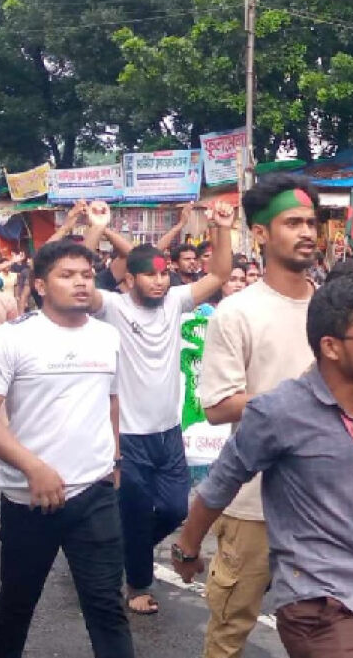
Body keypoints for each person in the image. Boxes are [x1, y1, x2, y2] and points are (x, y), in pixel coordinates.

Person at [174, 279, 353, 658]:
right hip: (314, 598)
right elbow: (223, 480)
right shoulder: (279, 410)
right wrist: (187, 547)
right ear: (331, 347)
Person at [0, 239, 134, 658]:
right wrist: (32, 467)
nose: (81, 282)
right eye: (67, 275)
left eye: (85, 274)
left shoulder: (107, 337)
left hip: (94, 494)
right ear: (40, 285)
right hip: (29, 498)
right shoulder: (13, 337)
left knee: (107, 608)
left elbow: (111, 400)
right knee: (18, 604)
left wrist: (114, 460)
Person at [78, 200, 235, 615]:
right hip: (127, 436)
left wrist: (222, 228)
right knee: (132, 512)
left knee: (173, 509)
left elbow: (219, 273)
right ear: (129, 280)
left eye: (164, 274)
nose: (161, 282)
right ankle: (138, 585)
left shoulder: (177, 302)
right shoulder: (111, 307)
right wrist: (95, 228)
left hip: (168, 434)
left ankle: (122, 552)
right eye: (151, 275)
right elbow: (79, 283)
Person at [197, 173, 322, 658]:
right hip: (253, 502)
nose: (307, 231)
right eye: (293, 222)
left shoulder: (334, 308)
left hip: (325, 502)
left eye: (311, 221)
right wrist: (302, 401)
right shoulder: (236, 312)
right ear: (262, 235)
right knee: (230, 631)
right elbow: (217, 406)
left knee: (324, 628)